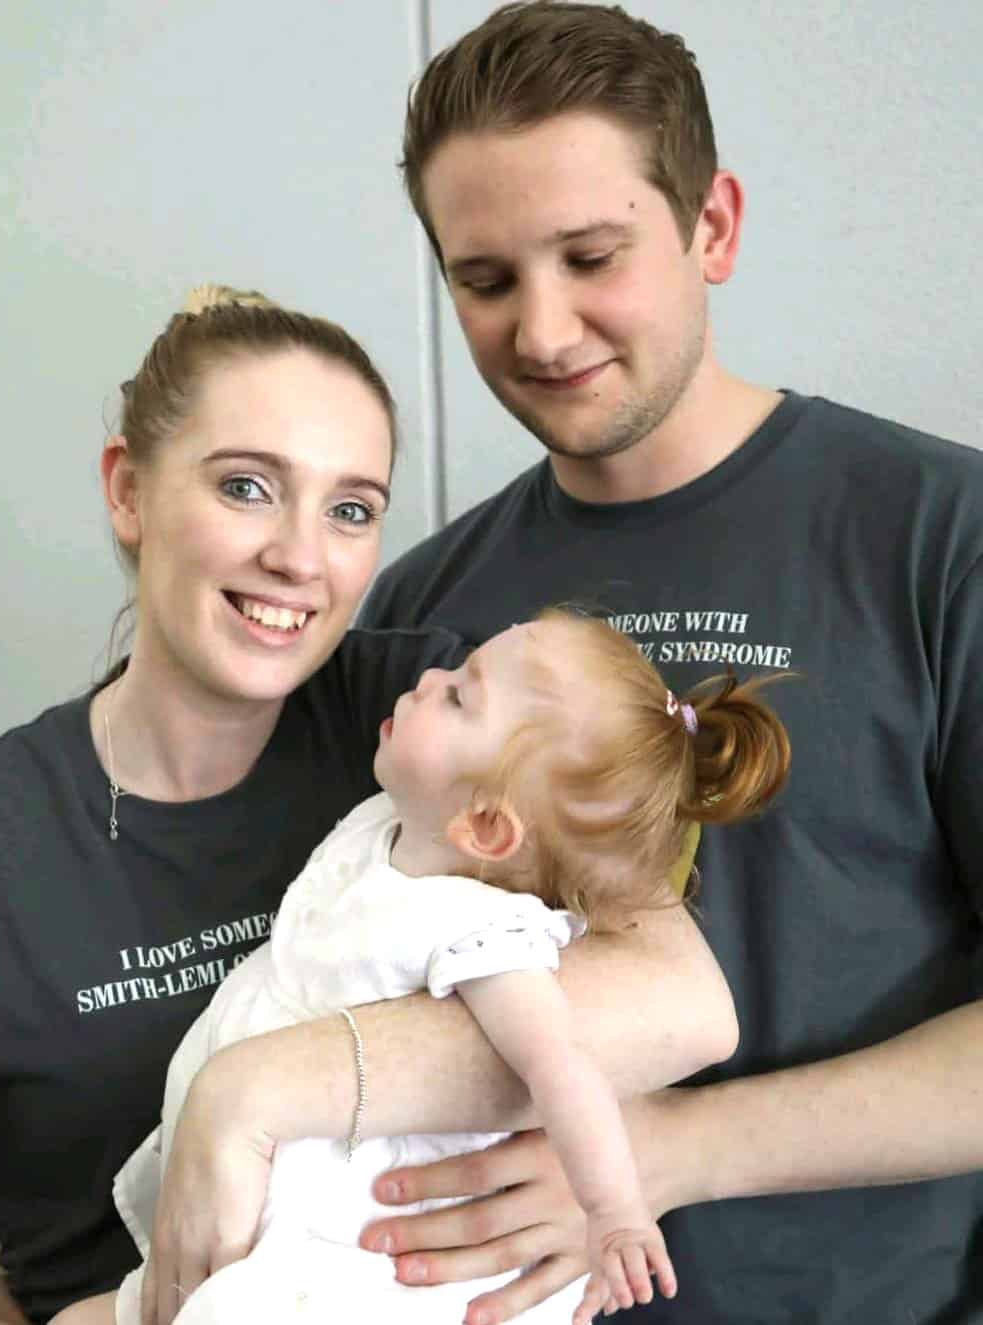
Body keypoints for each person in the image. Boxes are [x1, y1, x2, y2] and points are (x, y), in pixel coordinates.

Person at [0, 283, 736, 1325]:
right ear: (128, 490)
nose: (301, 557)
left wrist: (252, 1090)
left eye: (351, 508)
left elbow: (686, 1003)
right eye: (248, 487)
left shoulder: (421, 723)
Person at [343, 4, 983, 1323]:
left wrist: (678, 1150)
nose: (541, 327)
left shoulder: (935, 539)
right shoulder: (415, 614)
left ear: (711, 227)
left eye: (589, 255)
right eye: (483, 279)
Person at [51, 608, 789, 1325]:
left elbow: (561, 1067)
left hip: (339, 1262)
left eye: (460, 694)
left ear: (487, 825)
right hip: (253, 1219)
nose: (430, 678)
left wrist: (615, 1210)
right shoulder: (387, 823)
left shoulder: (482, 934)